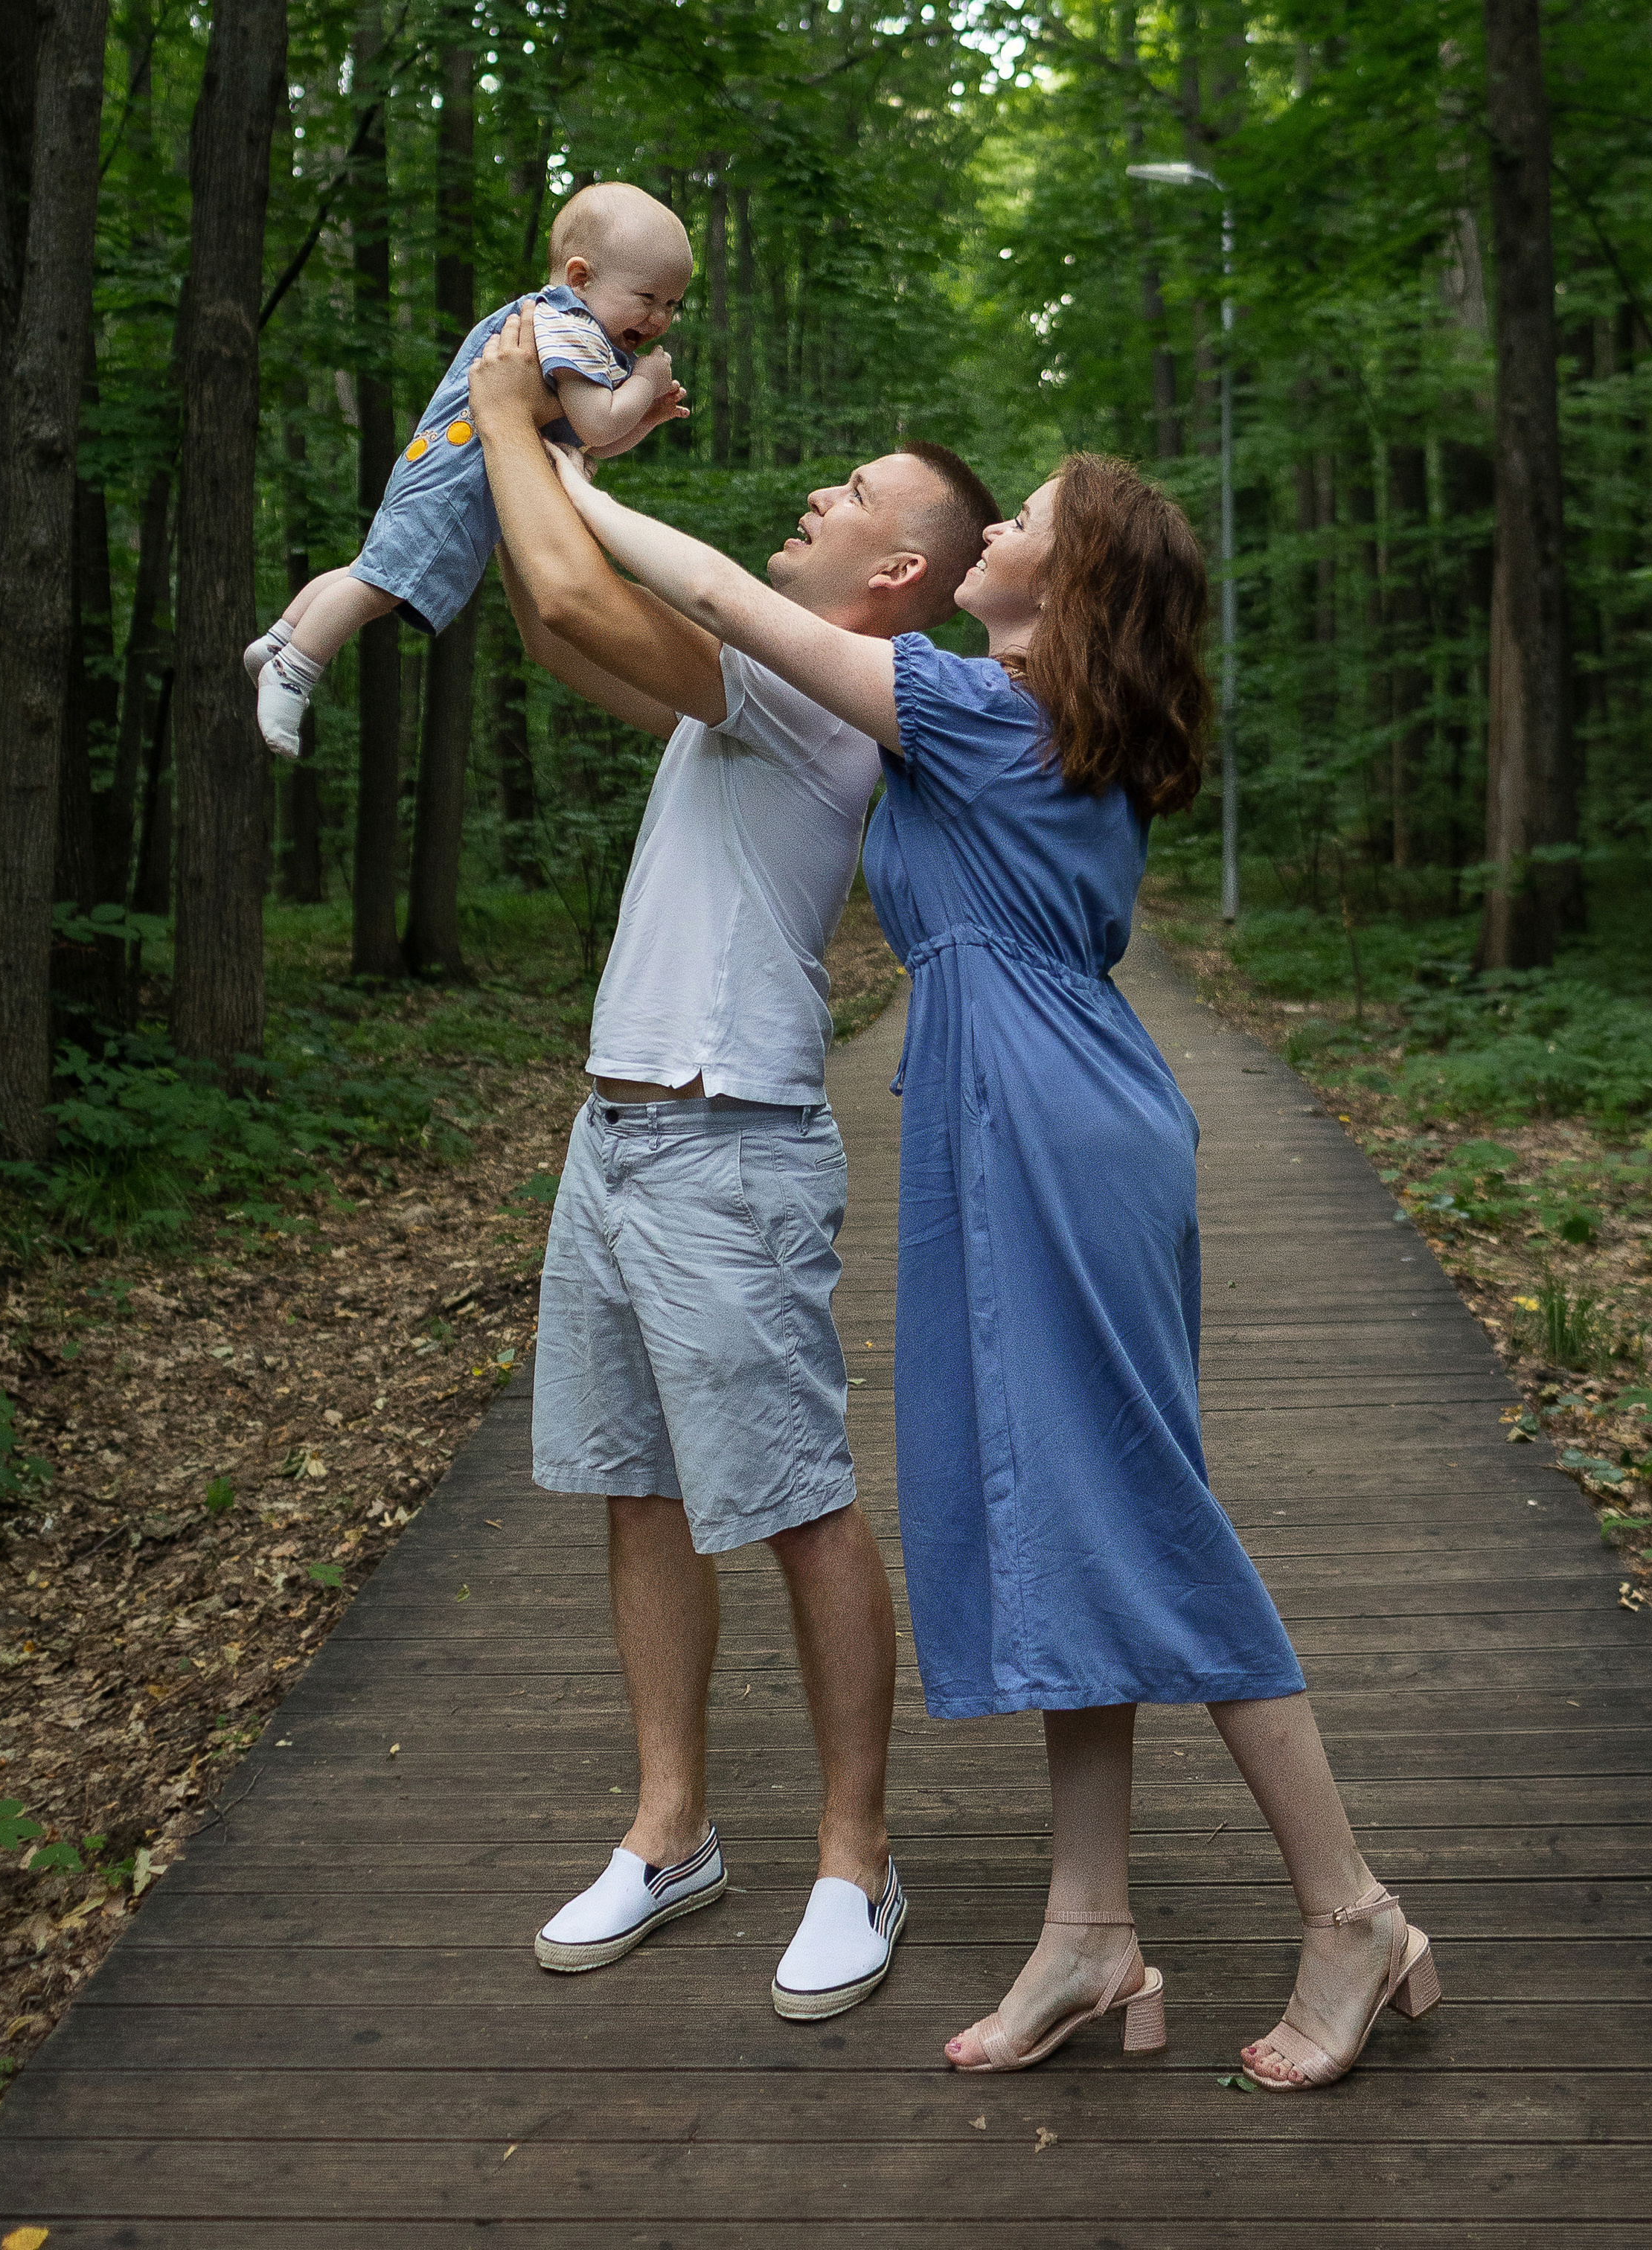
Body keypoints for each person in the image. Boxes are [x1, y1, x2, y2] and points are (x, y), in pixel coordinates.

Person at [530, 413, 1440, 2091]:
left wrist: (580, 491)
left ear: (1062, 583)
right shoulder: (1033, 729)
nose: (993, 526)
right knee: (1048, 1519)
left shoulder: (972, 707)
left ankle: (1350, 1910)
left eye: (1021, 516)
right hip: (1006, 1113)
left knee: (1136, 1513)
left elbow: (731, 599)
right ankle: (1088, 1934)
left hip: (1042, 1127)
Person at [465, 304, 999, 2023]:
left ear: (896, 574)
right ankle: (670, 1829)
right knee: (639, 1489)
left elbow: (570, 589)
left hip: (728, 1138)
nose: (819, 490)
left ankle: (858, 1857)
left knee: (794, 1505)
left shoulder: (826, 702)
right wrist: (533, 464)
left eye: (854, 491)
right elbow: (563, 639)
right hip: (612, 1131)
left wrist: (517, 417)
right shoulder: (748, 690)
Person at [246, 182, 692, 758]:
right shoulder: (571, 325)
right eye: (648, 297)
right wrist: (644, 385)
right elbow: (599, 423)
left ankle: (281, 639)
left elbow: (589, 442)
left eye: (673, 304)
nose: (660, 318)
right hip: (461, 480)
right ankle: (295, 673)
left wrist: (645, 419)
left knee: (373, 568)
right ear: (581, 278)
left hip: (444, 465)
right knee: (383, 585)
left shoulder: (579, 330)